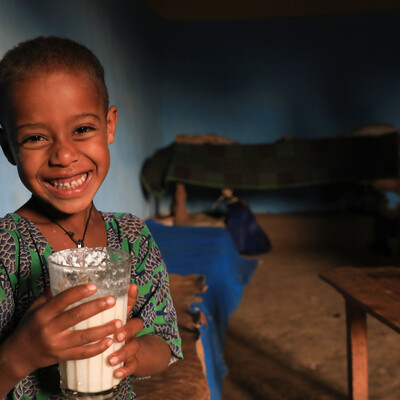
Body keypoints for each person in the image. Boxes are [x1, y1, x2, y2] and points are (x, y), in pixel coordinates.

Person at [0, 36, 182, 399]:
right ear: (8, 148)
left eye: (82, 129)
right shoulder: (6, 247)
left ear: (109, 125)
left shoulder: (132, 236)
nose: (64, 156)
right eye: (36, 137)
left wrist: (133, 355)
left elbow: (164, 341)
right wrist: (20, 355)